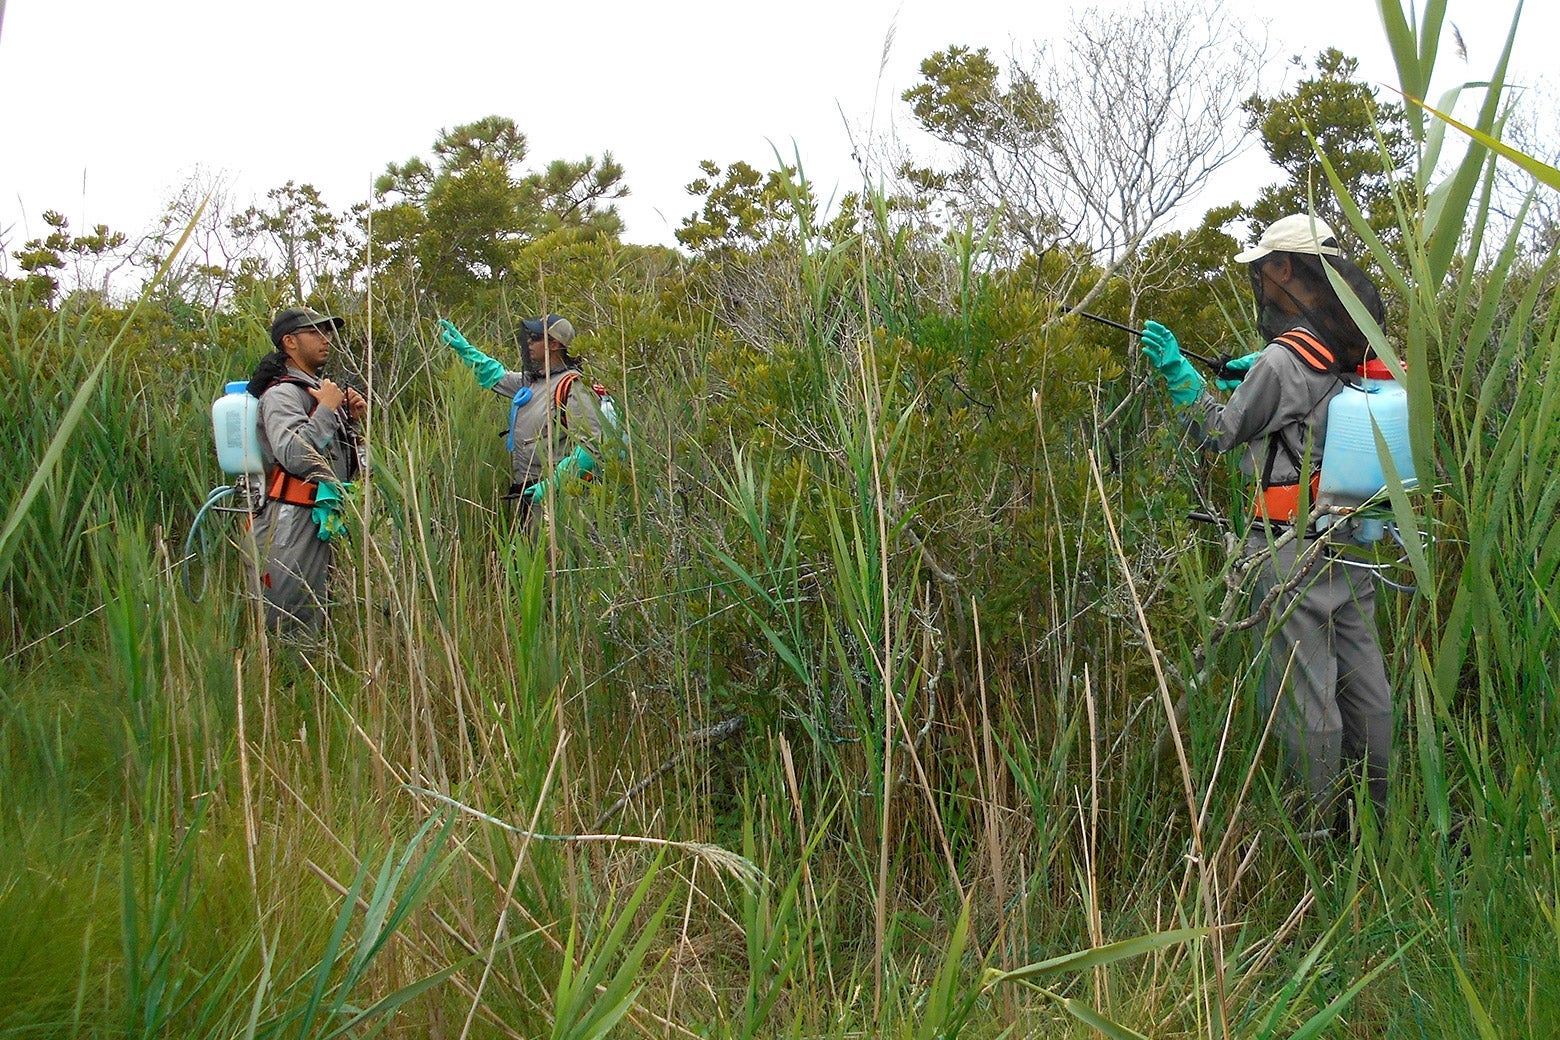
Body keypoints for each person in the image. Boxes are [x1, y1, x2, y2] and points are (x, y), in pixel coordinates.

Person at [1141, 214, 1392, 835]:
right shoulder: (1360, 348)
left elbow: (1218, 432)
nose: (1262, 280)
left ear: (1285, 269)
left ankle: (1315, 844)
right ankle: (1372, 828)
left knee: (1309, 708)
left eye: (1265, 268)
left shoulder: (1283, 361)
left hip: (1288, 555)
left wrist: (1180, 378)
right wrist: (1249, 370)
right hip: (1353, 544)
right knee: (1369, 697)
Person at [246, 306, 366, 635]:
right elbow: (294, 456)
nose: (326, 339)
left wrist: (351, 421)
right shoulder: (283, 394)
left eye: (327, 332)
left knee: (320, 615)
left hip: (322, 517)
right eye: (315, 332)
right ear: (290, 342)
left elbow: (341, 467)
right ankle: (286, 682)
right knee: (293, 622)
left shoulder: (314, 391)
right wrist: (327, 408)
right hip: (291, 521)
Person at [437, 313, 606, 516]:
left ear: (554, 345)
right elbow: (496, 375)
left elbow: (590, 447)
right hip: (527, 492)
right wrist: (465, 350)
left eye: (535, 337)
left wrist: (553, 485)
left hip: (558, 500)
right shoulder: (534, 381)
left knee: (552, 548)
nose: (528, 342)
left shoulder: (574, 387)